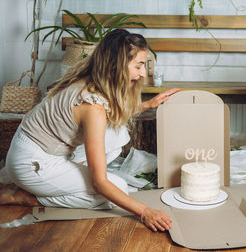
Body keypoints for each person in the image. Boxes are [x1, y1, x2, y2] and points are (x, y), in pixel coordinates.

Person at [0, 29, 178, 232]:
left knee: (117, 134)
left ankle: (44, 182)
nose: (143, 74)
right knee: (117, 189)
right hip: (33, 162)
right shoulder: (93, 107)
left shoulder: (91, 77)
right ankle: (22, 196)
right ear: (116, 65)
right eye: (138, 66)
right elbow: (100, 182)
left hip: (32, 148)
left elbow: (114, 111)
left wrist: (147, 105)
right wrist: (145, 212)